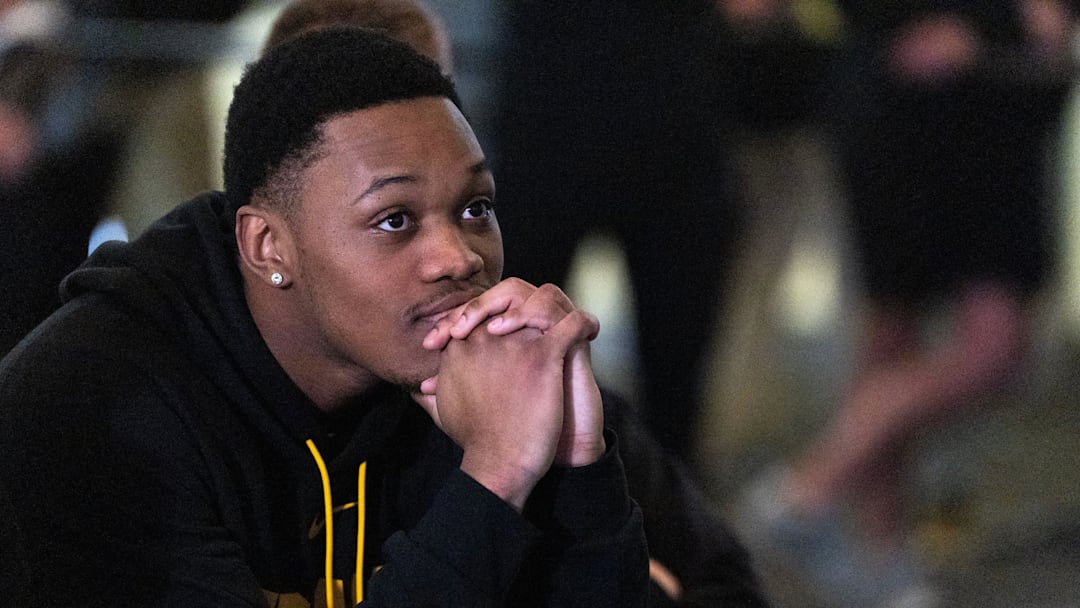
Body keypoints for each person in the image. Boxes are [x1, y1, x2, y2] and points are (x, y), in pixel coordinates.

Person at [0, 27, 767, 607]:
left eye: (476, 208)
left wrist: (575, 468)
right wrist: (493, 480)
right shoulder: (88, 404)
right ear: (270, 245)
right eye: (394, 219)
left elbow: (719, 585)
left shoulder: (481, 377)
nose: (458, 257)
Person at [740, 1, 1078, 606]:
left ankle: (807, 491)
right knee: (897, 335)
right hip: (907, 105)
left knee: (994, 350)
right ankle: (881, 556)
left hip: (1005, 110)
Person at [490, 1, 746, 466]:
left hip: (671, 133)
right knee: (513, 360)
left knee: (674, 395)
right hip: (556, 119)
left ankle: (660, 525)